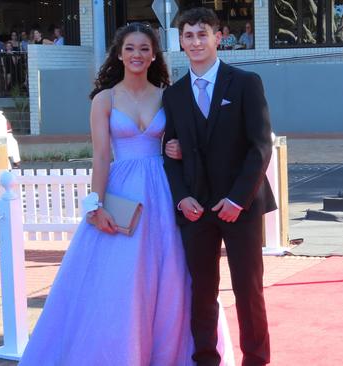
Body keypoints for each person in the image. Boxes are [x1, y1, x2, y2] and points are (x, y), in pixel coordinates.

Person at [18, 22, 234, 365]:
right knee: (120, 280)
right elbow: (102, 156)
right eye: (130, 48)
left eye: (144, 49)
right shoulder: (104, 99)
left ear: (154, 56)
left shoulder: (170, 95)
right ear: (119, 54)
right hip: (123, 195)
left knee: (175, 273)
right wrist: (95, 204)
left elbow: (188, 141)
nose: (137, 54)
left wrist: (175, 148)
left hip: (165, 192)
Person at [163, 8, 275, 366]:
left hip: (239, 208)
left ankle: (256, 359)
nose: (195, 42)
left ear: (218, 36)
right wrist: (182, 198)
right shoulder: (174, 95)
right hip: (195, 210)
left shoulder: (245, 83)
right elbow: (170, 154)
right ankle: (206, 359)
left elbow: (261, 146)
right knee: (201, 292)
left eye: (202, 34)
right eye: (188, 36)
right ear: (180, 42)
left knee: (248, 290)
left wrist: (237, 199)